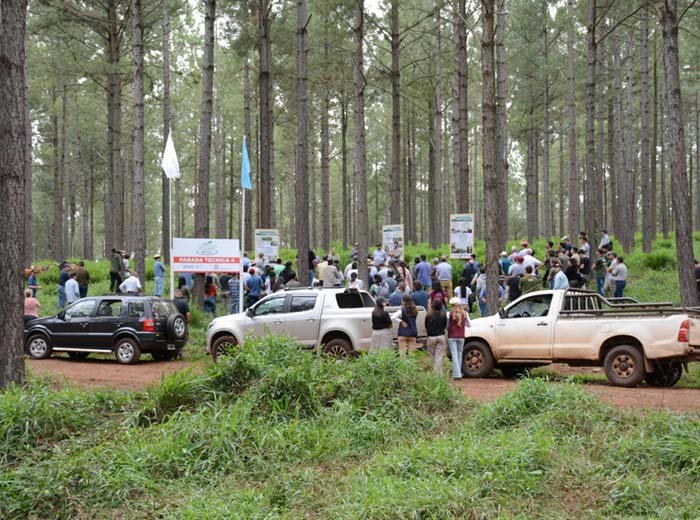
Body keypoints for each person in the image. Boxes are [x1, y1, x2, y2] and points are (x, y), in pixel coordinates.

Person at [447, 297, 470, 379]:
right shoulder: (465, 313)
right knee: (459, 354)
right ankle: (458, 372)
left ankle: (457, 374)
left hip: (452, 336)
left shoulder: (449, 314)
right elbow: (469, 325)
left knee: (454, 355)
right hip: (461, 336)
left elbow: (447, 325)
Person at [424, 299, 448, 373]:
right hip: (441, 336)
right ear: (441, 306)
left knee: (433, 356)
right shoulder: (443, 315)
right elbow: (444, 326)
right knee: (439, 357)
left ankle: (435, 374)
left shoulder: (428, 315)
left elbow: (426, 326)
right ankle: (437, 374)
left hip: (431, 337)